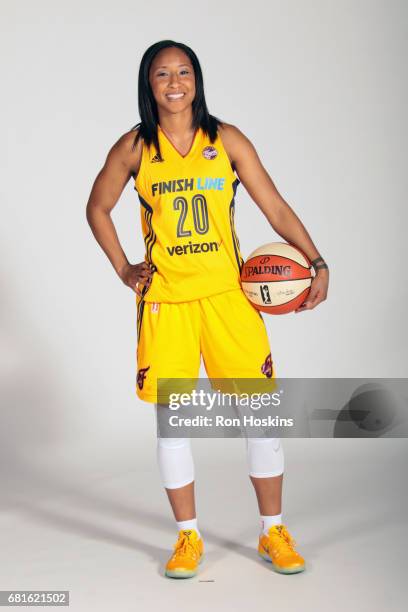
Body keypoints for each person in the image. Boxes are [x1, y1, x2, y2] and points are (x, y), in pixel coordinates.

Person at [86, 39, 329, 579]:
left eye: (184, 71)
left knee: (259, 417)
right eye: (162, 74)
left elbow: (276, 206)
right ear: (148, 85)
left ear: (197, 79)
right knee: (173, 425)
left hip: (228, 298)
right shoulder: (133, 148)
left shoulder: (228, 139)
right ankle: (188, 538)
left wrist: (316, 261)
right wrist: (125, 269)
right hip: (168, 303)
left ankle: (273, 532)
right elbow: (97, 207)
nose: (175, 82)